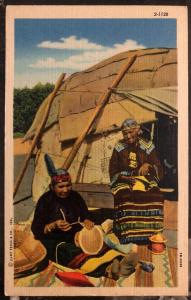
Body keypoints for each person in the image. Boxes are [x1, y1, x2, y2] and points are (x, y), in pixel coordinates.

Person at [31, 154, 94, 266]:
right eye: (61, 187)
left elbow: (86, 215)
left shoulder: (75, 196)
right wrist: (53, 225)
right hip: (54, 240)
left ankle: (112, 263)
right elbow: (36, 229)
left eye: (68, 185)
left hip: (76, 236)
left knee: (95, 244)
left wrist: (87, 221)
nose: (65, 190)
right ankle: (104, 268)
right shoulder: (45, 200)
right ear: (52, 187)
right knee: (69, 253)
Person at [109, 119, 164, 244]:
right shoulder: (118, 147)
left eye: (130, 132)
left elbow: (159, 168)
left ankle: (152, 235)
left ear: (138, 131)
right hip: (123, 179)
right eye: (125, 134)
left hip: (145, 179)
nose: (128, 136)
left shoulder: (148, 146)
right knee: (124, 195)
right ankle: (128, 235)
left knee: (156, 194)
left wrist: (149, 165)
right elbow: (113, 170)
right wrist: (124, 178)